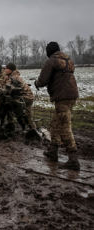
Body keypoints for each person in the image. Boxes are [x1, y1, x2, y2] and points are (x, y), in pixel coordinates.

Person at [35, 41, 80, 170]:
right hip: (72, 95)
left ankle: (73, 159)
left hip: (62, 97)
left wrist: (37, 83)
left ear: (49, 51)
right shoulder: (68, 59)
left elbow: (43, 80)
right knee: (56, 124)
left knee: (64, 127)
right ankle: (53, 152)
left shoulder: (52, 61)